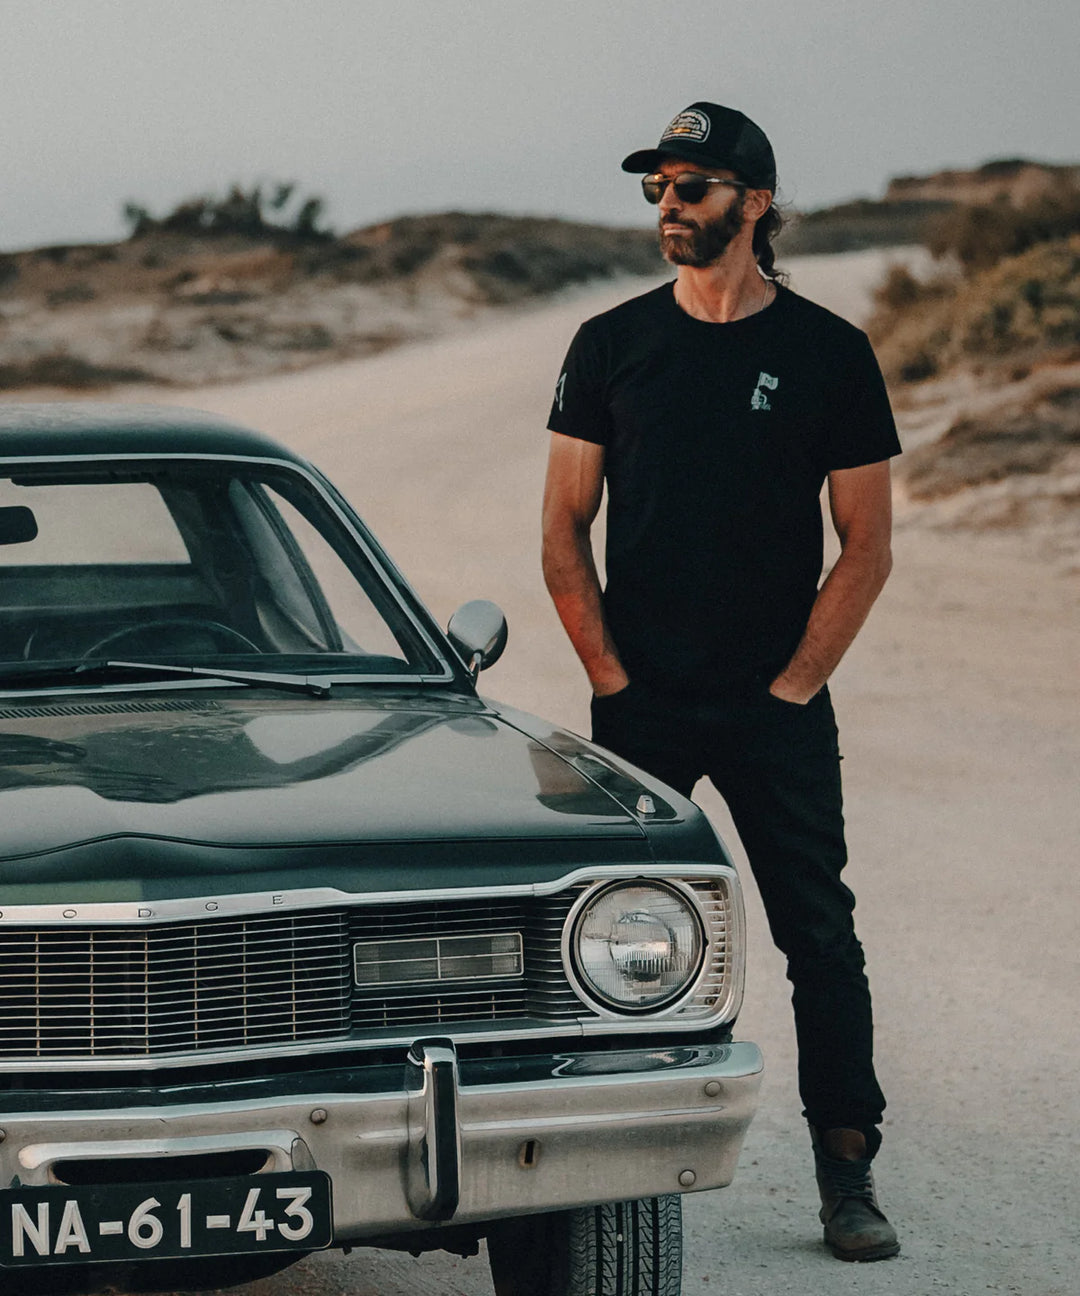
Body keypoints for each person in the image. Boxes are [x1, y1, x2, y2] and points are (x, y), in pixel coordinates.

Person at [542, 101, 901, 1262]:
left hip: (772, 703)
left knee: (819, 935)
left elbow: (867, 543)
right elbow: (564, 528)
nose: (667, 210)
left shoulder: (828, 355)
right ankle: (592, 1173)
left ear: (753, 202)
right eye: (657, 189)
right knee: (606, 938)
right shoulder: (610, 345)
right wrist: (608, 674)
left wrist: (796, 685)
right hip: (641, 704)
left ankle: (848, 1174)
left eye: (690, 190)